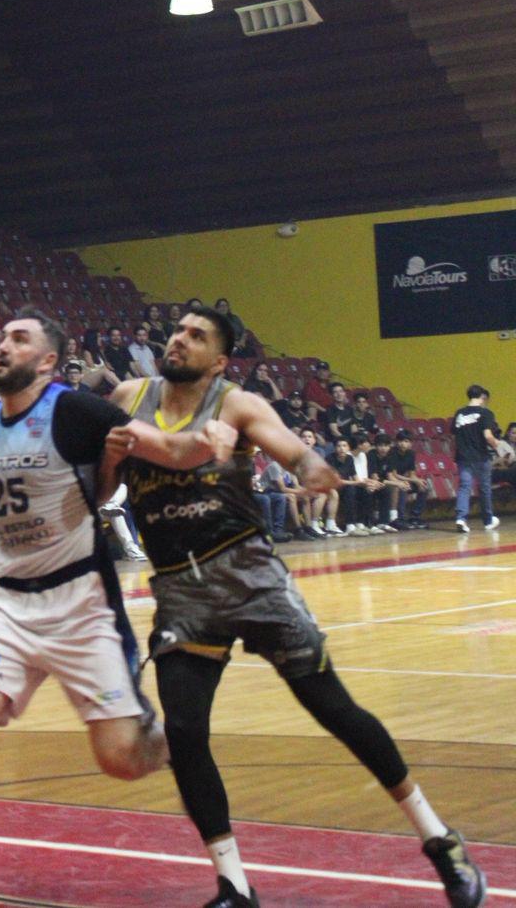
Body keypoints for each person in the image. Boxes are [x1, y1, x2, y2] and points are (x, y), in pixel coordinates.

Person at [108, 304, 486, 908]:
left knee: (334, 710)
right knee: (184, 730)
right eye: (177, 331)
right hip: (181, 585)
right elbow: (99, 480)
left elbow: (301, 457)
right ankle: (233, 884)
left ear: (220, 360)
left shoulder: (238, 405)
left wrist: (312, 471)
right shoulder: (127, 395)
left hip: (250, 575)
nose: (179, 340)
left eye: (195, 336)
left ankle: (440, 840)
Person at [0, 309, 231, 908]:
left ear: (47, 360)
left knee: (122, 762)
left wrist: (212, 438)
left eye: (19, 339)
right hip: (10, 603)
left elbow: (164, 449)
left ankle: (172, 735)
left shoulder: (74, 409)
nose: (2, 345)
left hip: (81, 603)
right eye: (0, 338)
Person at [451, 384, 501, 533]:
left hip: (463, 456)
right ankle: (487, 520)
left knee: (464, 487)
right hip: (480, 456)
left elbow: (454, 435)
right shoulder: (485, 413)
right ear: (482, 397)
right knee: (484, 488)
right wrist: (497, 444)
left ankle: (461, 518)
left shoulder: (459, 413)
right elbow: (487, 435)